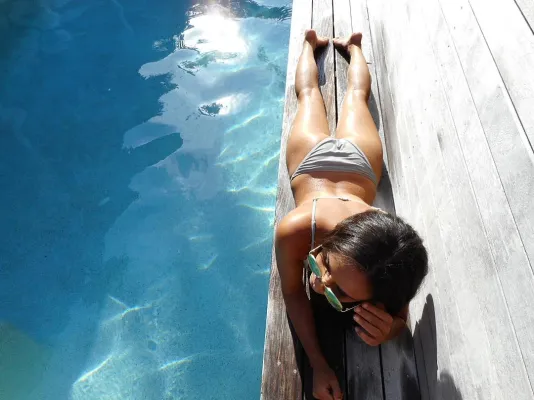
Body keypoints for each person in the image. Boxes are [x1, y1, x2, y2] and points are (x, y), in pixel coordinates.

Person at [275, 30, 428, 400]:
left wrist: (392, 329)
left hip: (353, 165)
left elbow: (400, 316)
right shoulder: (296, 229)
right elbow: (293, 293)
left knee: (355, 96)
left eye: (341, 293)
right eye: (326, 263)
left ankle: (353, 47)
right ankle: (314, 44)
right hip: (316, 160)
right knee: (313, 94)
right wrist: (318, 364)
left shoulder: (387, 260)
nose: (321, 282)